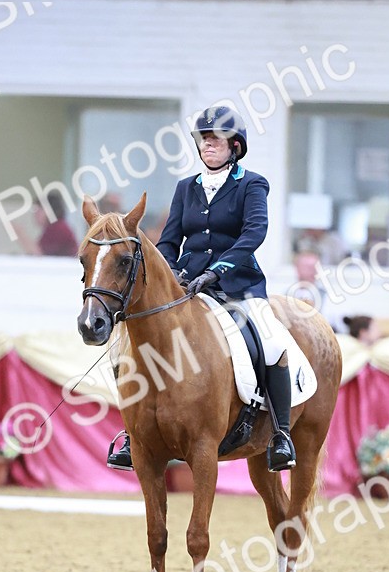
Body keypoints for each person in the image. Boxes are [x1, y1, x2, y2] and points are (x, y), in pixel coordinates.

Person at [107, 105, 297, 473]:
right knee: (131, 345)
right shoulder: (185, 188)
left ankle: (280, 434)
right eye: (204, 139)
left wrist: (216, 271)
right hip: (187, 285)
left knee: (272, 343)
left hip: (238, 285)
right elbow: (168, 241)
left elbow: (253, 234)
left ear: (235, 146)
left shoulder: (251, 184)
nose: (208, 145)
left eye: (216, 140)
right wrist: (172, 271)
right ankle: (135, 432)